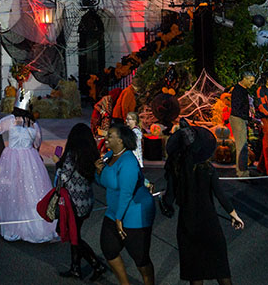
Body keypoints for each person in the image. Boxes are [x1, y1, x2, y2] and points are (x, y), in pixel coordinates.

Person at [0, 90, 58, 243]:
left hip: (12, 158)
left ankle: (14, 226)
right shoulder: (34, 125)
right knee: (30, 189)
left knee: (14, 190)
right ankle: (32, 225)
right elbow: (37, 144)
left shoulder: (11, 120)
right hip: (30, 158)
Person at [162, 121, 245, 285]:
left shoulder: (176, 169)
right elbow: (220, 194)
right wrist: (234, 215)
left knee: (195, 275)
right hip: (210, 224)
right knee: (221, 271)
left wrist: (162, 200)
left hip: (187, 225)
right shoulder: (207, 169)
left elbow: (168, 200)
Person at [94, 122, 155, 285]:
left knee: (140, 259)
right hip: (114, 210)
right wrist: (98, 171)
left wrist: (119, 219)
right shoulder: (108, 156)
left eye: (110, 136)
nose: (106, 138)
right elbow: (104, 182)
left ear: (121, 141)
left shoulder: (128, 161)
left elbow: (127, 193)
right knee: (109, 248)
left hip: (134, 213)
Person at [53, 123, 106, 280]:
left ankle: (96, 263)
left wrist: (57, 162)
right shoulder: (91, 154)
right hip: (86, 200)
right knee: (74, 234)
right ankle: (75, 267)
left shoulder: (71, 154)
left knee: (69, 234)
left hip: (72, 202)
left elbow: (63, 177)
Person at [228, 72, 255, 177]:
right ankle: (242, 173)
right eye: (251, 81)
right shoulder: (238, 90)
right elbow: (237, 108)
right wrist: (247, 118)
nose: (252, 83)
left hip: (241, 118)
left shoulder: (243, 90)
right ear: (245, 79)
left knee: (243, 146)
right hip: (238, 119)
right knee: (242, 146)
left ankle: (243, 171)